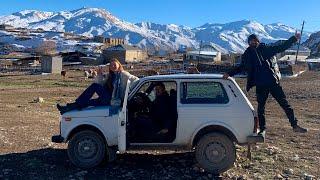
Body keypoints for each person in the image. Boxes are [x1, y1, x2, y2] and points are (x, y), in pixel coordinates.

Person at [223, 33, 307, 134]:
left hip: (272, 82)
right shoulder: (247, 54)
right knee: (261, 108)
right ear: (248, 43)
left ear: (258, 41)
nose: (253, 42)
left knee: (285, 104)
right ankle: (262, 129)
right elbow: (241, 67)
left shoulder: (265, 49)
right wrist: (229, 73)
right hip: (260, 85)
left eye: (255, 40)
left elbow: (281, 47)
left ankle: (295, 125)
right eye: (251, 41)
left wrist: (293, 39)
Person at [57, 58, 138, 114]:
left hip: (113, 100)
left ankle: (73, 105)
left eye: (114, 64)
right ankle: (67, 109)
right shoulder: (110, 76)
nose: (113, 66)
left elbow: (135, 80)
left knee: (94, 86)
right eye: (111, 65)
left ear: (119, 65)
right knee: (86, 102)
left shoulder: (123, 74)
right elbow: (101, 84)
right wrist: (99, 75)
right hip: (106, 99)